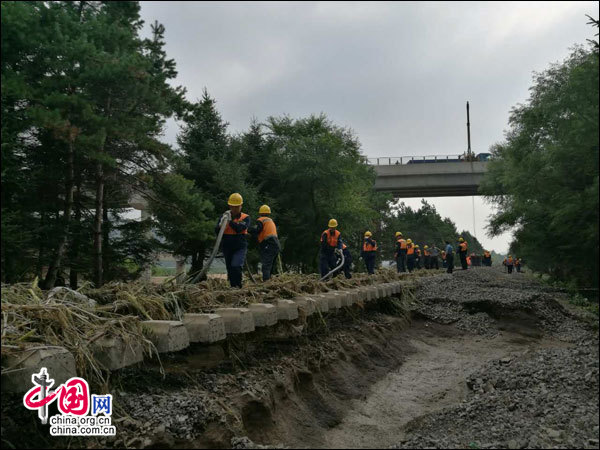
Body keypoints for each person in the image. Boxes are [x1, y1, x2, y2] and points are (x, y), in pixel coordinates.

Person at [217, 193, 250, 288]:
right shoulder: (224, 216)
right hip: (227, 246)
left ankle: (238, 287)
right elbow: (217, 231)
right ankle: (233, 288)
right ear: (229, 206)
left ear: (241, 206)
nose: (235, 209)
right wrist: (220, 224)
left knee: (236, 266)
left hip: (239, 246)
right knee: (230, 268)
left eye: (237, 206)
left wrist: (230, 221)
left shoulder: (245, 218)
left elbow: (239, 229)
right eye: (233, 206)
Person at [249, 204, 280, 282]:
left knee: (266, 266)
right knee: (271, 266)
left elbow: (257, 230)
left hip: (269, 244)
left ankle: (266, 284)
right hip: (275, 244)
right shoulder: (270, 221)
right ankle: (272, 281)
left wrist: (248, 229)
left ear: (260, 213)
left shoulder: (261, 220)